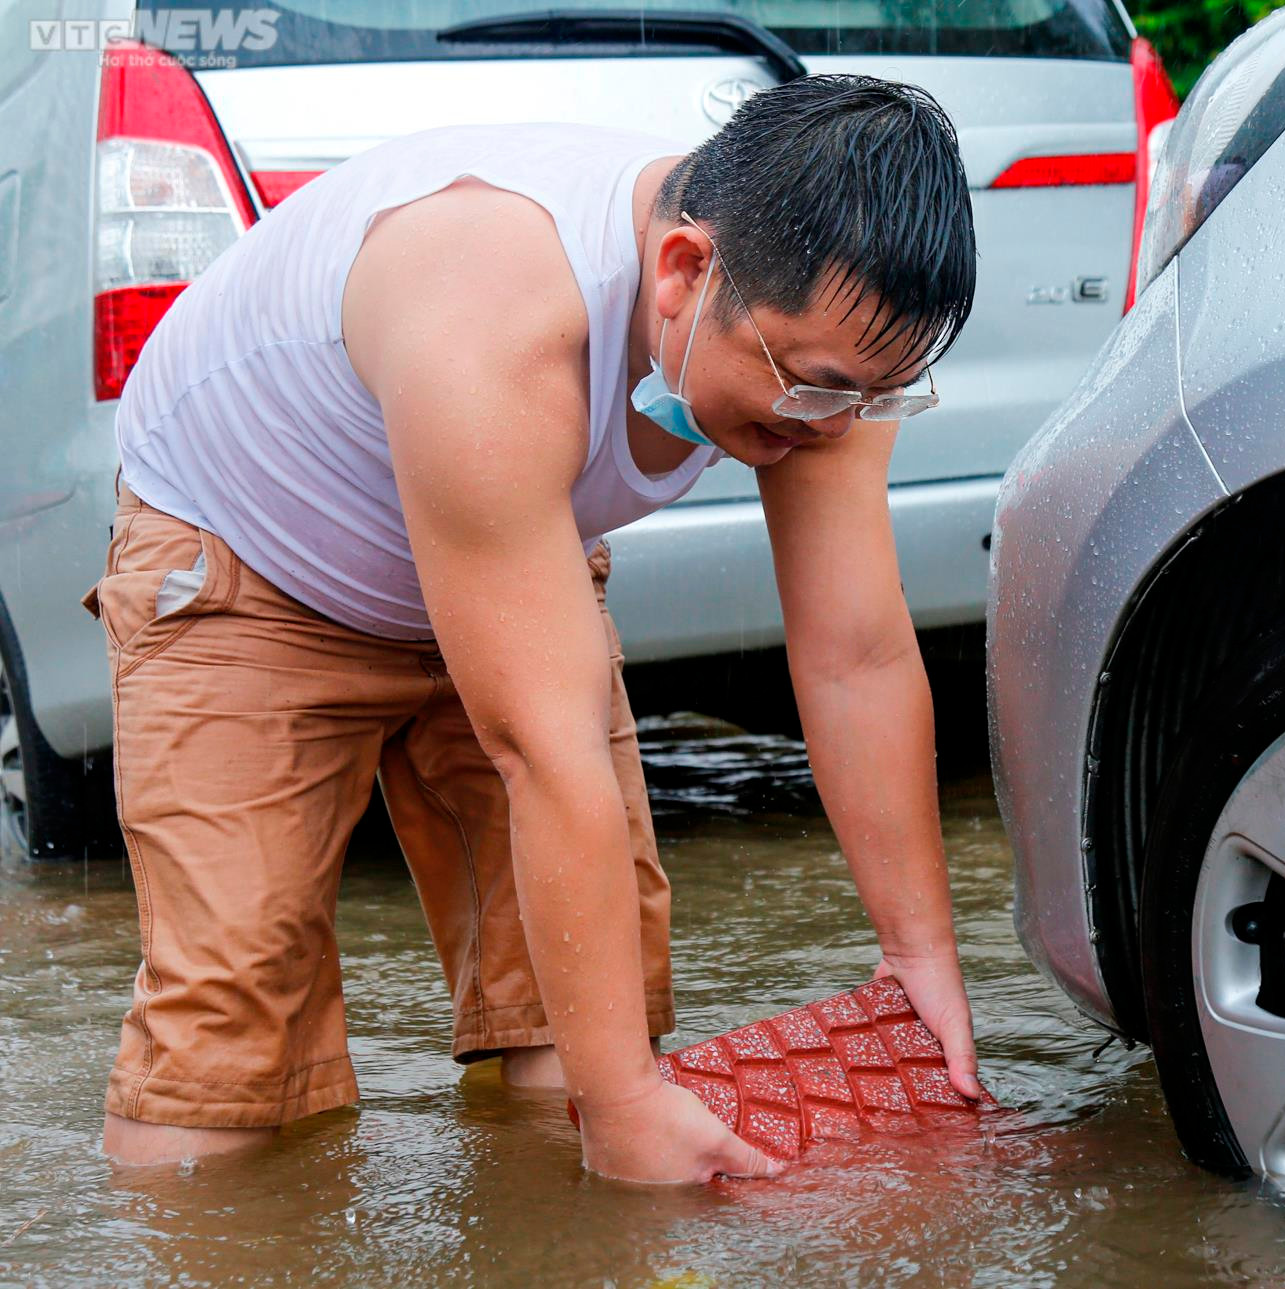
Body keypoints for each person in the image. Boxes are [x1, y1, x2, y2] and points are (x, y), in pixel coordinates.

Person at [81, 74, 982, 1183]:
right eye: (812, 390)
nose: (835, 426)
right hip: (252, 566)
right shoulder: (496, 312)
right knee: (224, 1048)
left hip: (506, 540)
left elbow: (857, 655)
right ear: (683, 270)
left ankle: (546, 1231)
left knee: (582, 1024)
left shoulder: (834, 350)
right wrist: (626, 1110)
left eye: (872, 398)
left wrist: (920, 955)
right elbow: (546, 754)